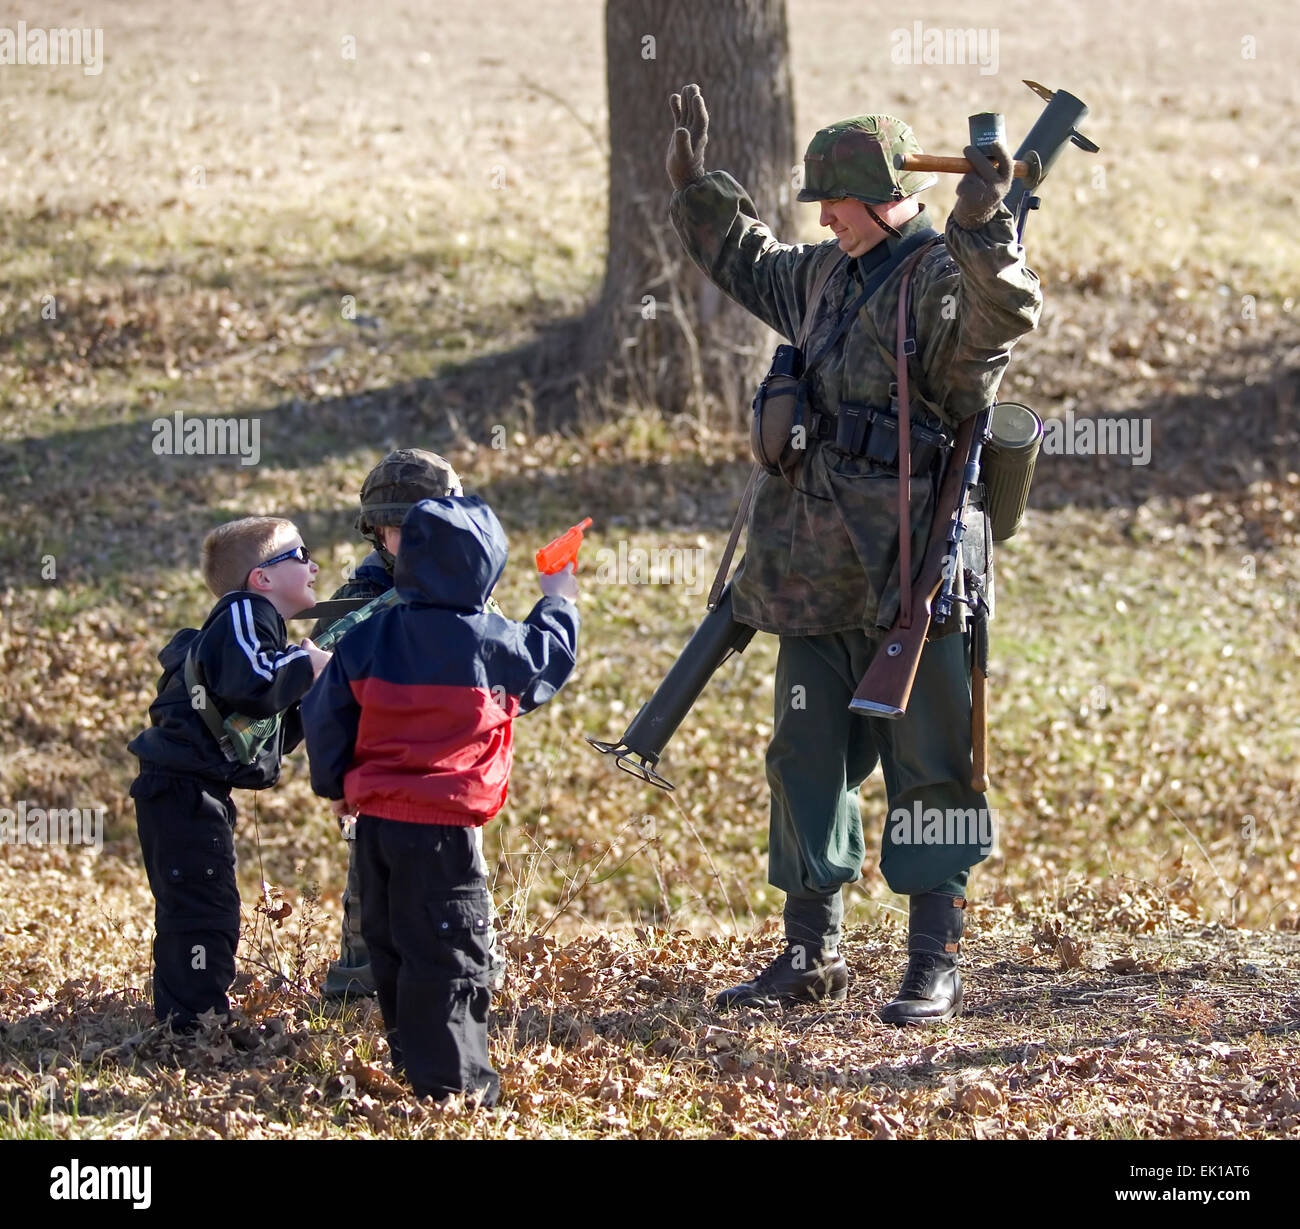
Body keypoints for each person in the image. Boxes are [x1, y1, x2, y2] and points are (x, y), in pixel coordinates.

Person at [666, 84, 1042, 1021]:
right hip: (809, 570)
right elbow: (748, 262)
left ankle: (932, 958)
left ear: (883, 198)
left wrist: (986, 224)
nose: (822, 216)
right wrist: (698, 188)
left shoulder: (943, 279)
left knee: (932, 764)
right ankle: (809, 951)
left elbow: (1004, 319)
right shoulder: (827, 273)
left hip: (915, 574)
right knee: (803, 755)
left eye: (833, 201)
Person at [302, 495, 579, 1103]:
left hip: (374, 823)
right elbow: (548, 660)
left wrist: (334, 784)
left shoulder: (370, 635)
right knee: (451, 952)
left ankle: (411, 1059)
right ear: (488, 569)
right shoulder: (491, 642)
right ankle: (453, 1085)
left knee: (393, 942)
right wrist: (558, 598)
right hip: (445, 832)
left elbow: (326, 713)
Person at [128, 517, 332, 1029]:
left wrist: (313, 690)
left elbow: (264, 734)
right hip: (180, 792)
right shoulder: (244, 613)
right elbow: (254, 685)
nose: (314, 564)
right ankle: (192, 1028)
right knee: (201, 911)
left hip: (191, 791)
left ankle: (193, 1019)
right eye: (299, 554)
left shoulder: (258, 628)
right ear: (261, 578)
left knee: (206, 906)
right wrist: (307, 666)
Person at [310, 448, 466, 1000]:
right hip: (376, 775)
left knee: (459, 893)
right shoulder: (365, 595)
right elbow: (324, 685)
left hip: (449, 779)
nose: (410, 537)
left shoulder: (468, 586)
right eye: (398, 527)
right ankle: (361, 983)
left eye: (424, 524)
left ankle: (465, 977)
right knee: (370, 891)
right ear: (376, 531)